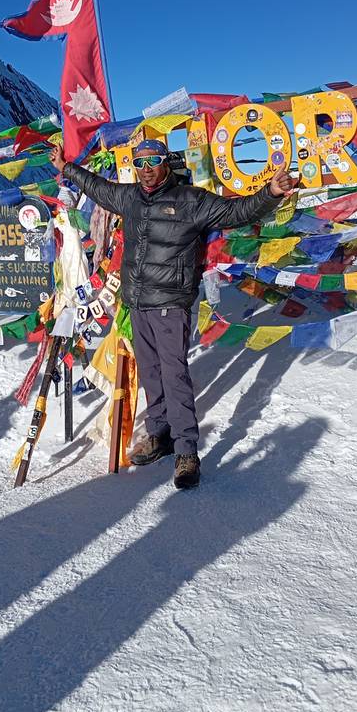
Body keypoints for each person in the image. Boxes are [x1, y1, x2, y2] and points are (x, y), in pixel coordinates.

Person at [50, 138, 297, 489]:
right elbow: (98, 187)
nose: (146, 169)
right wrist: (66, 168)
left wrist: (270, 193)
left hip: (170, 305)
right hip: (137, 304)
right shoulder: (130, 197)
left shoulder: (191, 201)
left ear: (166, 162)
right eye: (139, 163)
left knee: (174, 376)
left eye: (152, 161)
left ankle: (186, 451)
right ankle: (160, 436)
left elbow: (236, 212)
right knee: (151, 375)